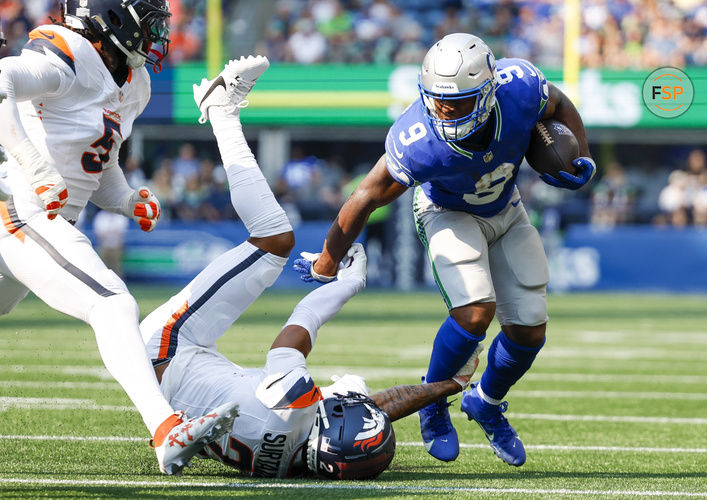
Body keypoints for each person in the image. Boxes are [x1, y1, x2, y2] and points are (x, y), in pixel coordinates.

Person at [139, 55, 481, 479]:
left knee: (274, 240)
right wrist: (448, 385)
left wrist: (349, 283)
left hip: (166, 347)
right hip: (174, 395)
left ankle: (221, 110)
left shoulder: (293, 402)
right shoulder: (304, 460)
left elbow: (302, 322)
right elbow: (378, 410)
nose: (358, 401)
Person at [295, 33, 595, 466]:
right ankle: (431, 401)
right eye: (436, 100)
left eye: (458, 101)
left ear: (490, 92)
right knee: (475, 311)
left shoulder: (520, 86)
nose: (444, 110)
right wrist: (327, 259)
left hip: (506, 207)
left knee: (530, 327)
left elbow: (559, 102)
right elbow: (367, 196)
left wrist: (582, 157)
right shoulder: (419, 137)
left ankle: (486, 402)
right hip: (445, 209)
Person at [0, 0, 238, 475]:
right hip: (18, 207)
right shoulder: (66, 53)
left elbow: (97, 168)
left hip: (45, 217)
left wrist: (127, 199)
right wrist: (31, 162)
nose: (156, 31)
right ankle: (166, 429)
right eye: (147, 19)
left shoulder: (134, 85)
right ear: (112, 17)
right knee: (112, 303)